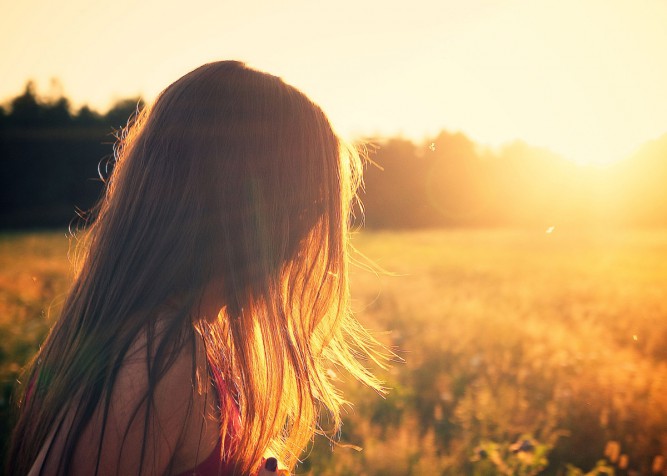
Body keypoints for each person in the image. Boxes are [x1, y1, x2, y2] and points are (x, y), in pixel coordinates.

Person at [8, 61, 384, 475]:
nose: (304, 243)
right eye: (309, 209)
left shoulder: (159, 341)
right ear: (252, 211)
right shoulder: (159, 359)